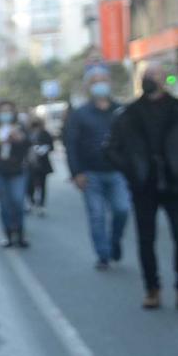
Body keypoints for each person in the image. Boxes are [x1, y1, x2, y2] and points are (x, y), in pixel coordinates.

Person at [112, 64, 178, 311]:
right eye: (145, 76)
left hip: (176, 184)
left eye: (154, 76)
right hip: (144, 186)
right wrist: (132, 171)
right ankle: (152, 289)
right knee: (146, 239)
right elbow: (112, 149)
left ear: (165, 80)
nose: (149, 80)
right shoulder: (129, 114)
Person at [64, 68, 131, 270]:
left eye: (103, 79)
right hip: (90, 174)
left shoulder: (121, 111)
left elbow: (131, 142)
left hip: (118, 172)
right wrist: (76, 172)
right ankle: (103, 255)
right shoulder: (79, 114)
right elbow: (71, 145)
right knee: (96, 215)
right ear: (88, 86)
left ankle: (114, 241)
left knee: (122, 209)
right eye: (95, 81)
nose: (100, 83)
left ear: (110, 83)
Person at [0, 101, 33, 248]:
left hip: (17, 171)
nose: (6, 114)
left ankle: (20, 234)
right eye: (3, 111)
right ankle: (8, 234)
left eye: (8, 111)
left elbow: (29, 144)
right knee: (4, 204)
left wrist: (19, 139)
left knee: (17, 201)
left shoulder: (20, 128)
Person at [26, 113, 56, 214]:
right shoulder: (27, 133)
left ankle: (41, 204)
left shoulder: (45, 133)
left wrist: (44, 148)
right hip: (30, 163)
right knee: (30, 184)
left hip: (42, 163)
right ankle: (31, 202)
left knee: (42, 185)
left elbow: (51, 146)